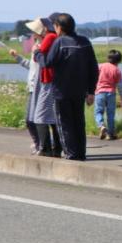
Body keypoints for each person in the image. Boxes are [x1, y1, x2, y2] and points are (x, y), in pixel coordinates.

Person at [35, 12, 99, 161]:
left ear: (59, 27)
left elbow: (48, 63)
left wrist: (37, 53)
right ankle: (80, 153)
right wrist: (91, 91)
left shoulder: (60, 42)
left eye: (55, 26)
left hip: (61, 91)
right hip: (80, 91)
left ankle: (71, 154)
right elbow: (93, 68)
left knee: (65, 124)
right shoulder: (85, 41)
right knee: (79, 123)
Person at [20, 16, 62, 157]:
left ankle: (45, 148)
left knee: (40, 117)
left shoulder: (49, 38)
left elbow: (41, 59)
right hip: (46, 82)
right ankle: (53, 148)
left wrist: (36, 51)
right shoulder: (50, 38)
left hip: (46, 82)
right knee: (50, 118)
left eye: (34, 31)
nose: (33, 34)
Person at [94, 49, 122, 140]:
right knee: (111, 114)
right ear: (119, 61)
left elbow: (93, 78)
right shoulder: (117, 70)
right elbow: (120, 86)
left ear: (108, 58)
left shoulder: (100, 66)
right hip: (111, 93)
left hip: (99, 92)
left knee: (98, 112)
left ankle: (101, 126)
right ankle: (110, 133)